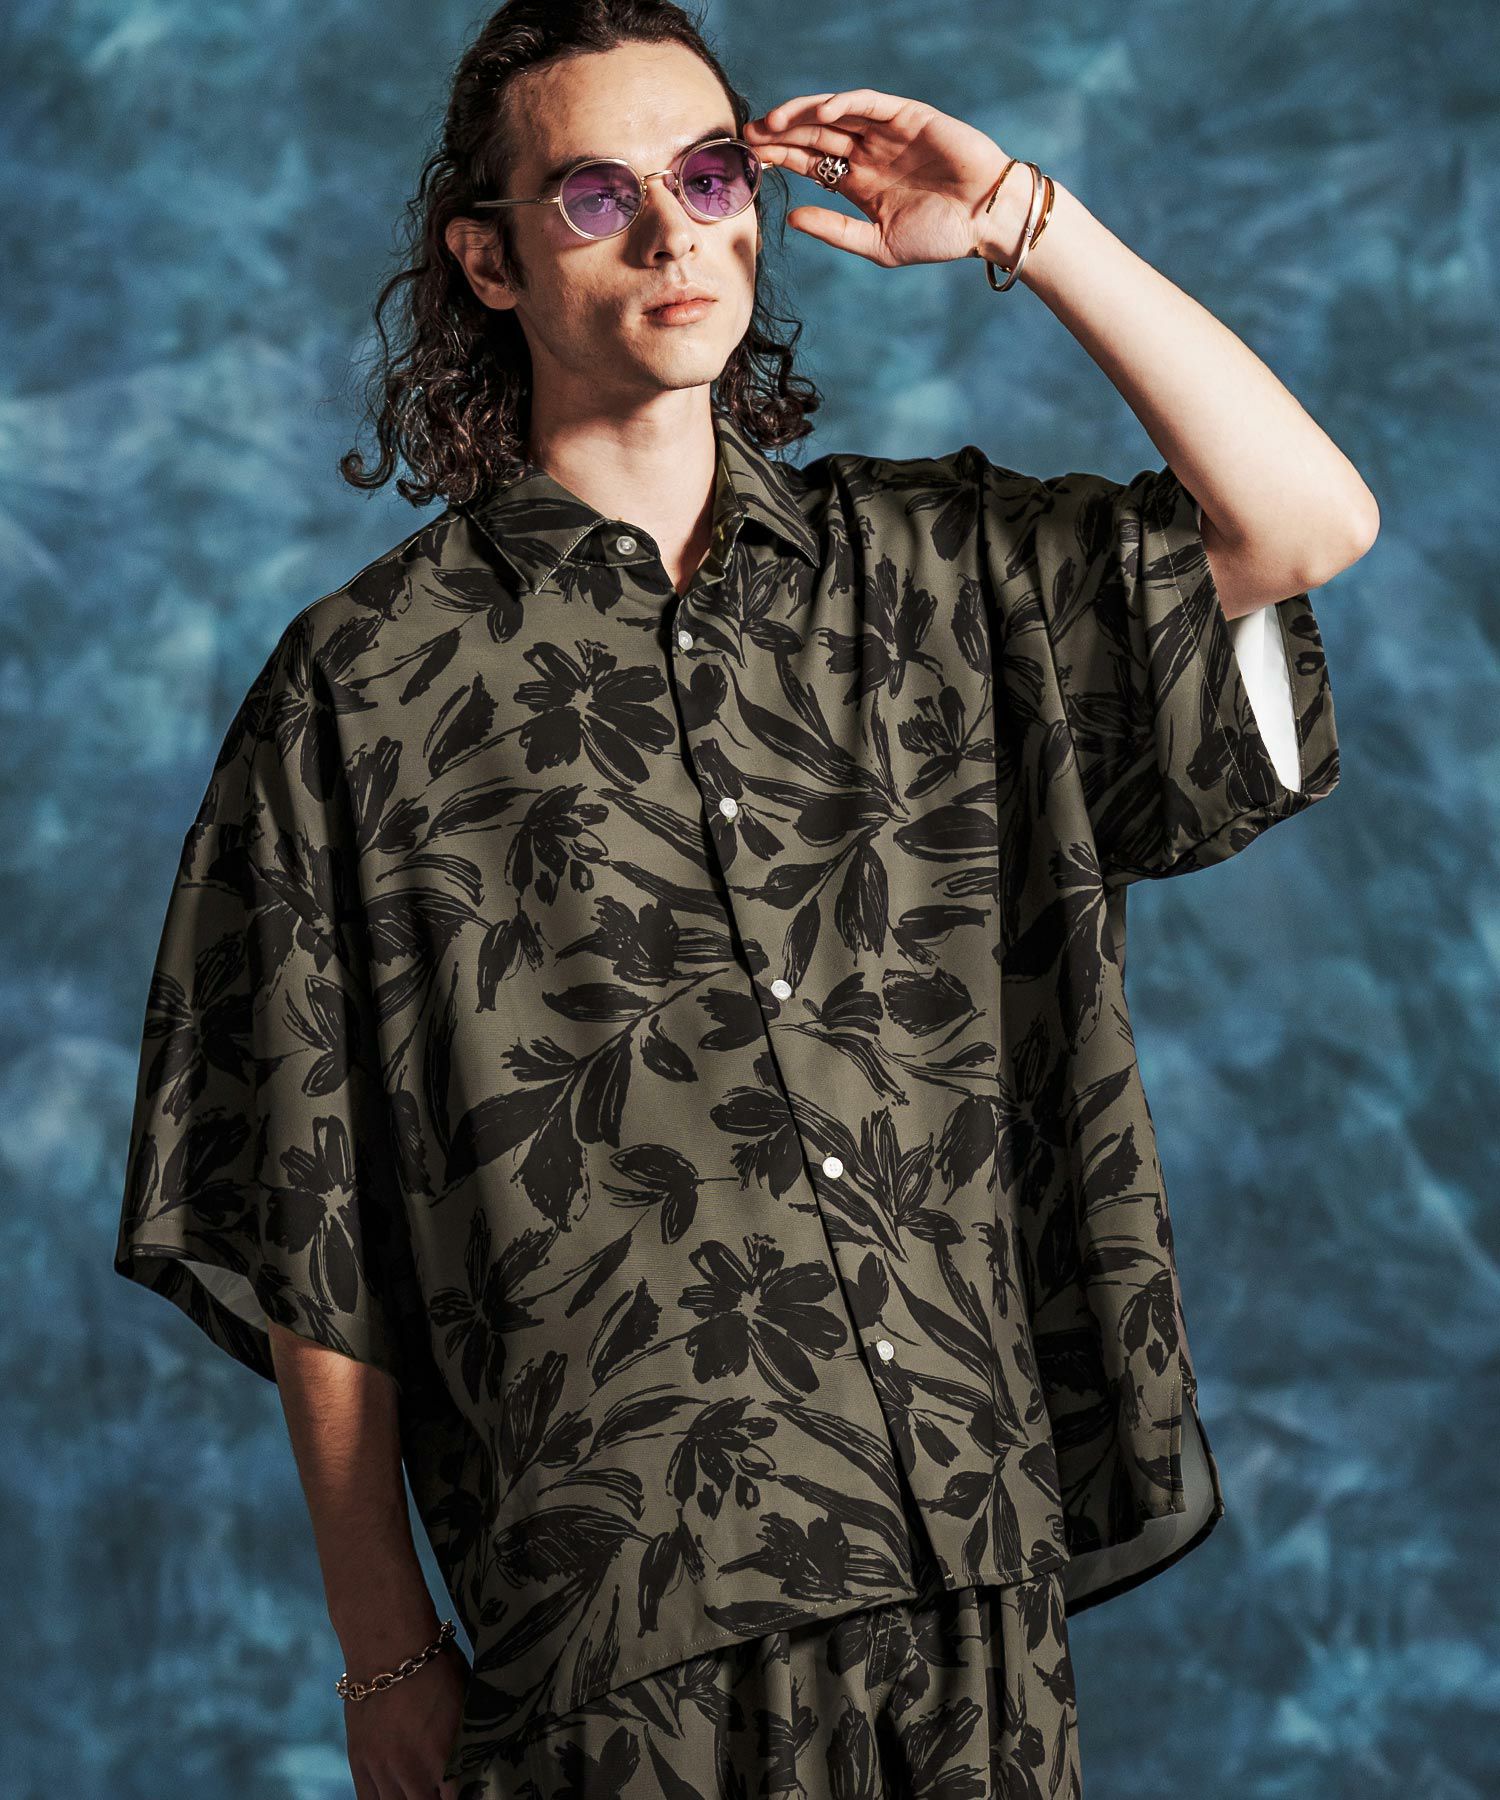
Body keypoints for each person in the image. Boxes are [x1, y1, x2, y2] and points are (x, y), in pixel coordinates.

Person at [113, 3, 1377, 1796]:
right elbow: (311, 1204)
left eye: (711, 177)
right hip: (617, 1617)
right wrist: (382, 1640)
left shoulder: (935, 575)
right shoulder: (367, 688)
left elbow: (1307, 523)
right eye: (594, 195)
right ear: (487, 260)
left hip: (965, 1559)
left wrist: (1024, 219)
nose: (671, 231)